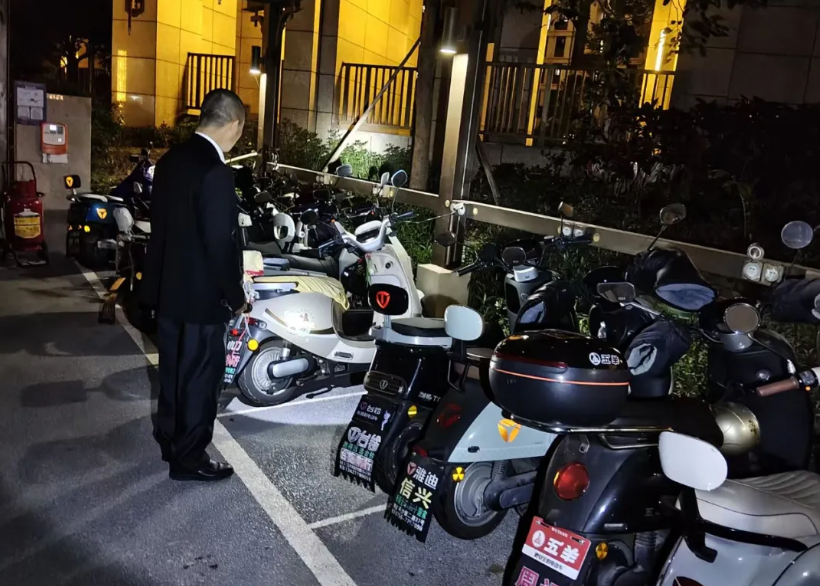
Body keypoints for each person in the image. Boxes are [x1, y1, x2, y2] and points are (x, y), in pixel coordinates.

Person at [141, 89, 247, 481]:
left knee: (172, 374)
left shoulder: (170, 161)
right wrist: (235, 296)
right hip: (203, 299)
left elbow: (162, 229)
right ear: (233, 124)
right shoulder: (216, 172)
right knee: (200, 380)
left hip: (169, 292)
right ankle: (189, 458)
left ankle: (170, 439)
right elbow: (220, 243)